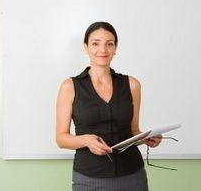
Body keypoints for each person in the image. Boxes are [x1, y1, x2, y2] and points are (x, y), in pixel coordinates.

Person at [56, 21, 162, 191]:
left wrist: (146, 138)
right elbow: (61, 139)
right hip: (89, 179)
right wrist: (86, 140)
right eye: (95, 43)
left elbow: (133, 131)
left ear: (115, 48)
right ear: (86, 47)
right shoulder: (69, 87)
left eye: (109, 44)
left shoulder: (132, 85)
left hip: (132, 176)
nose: (103, 50)